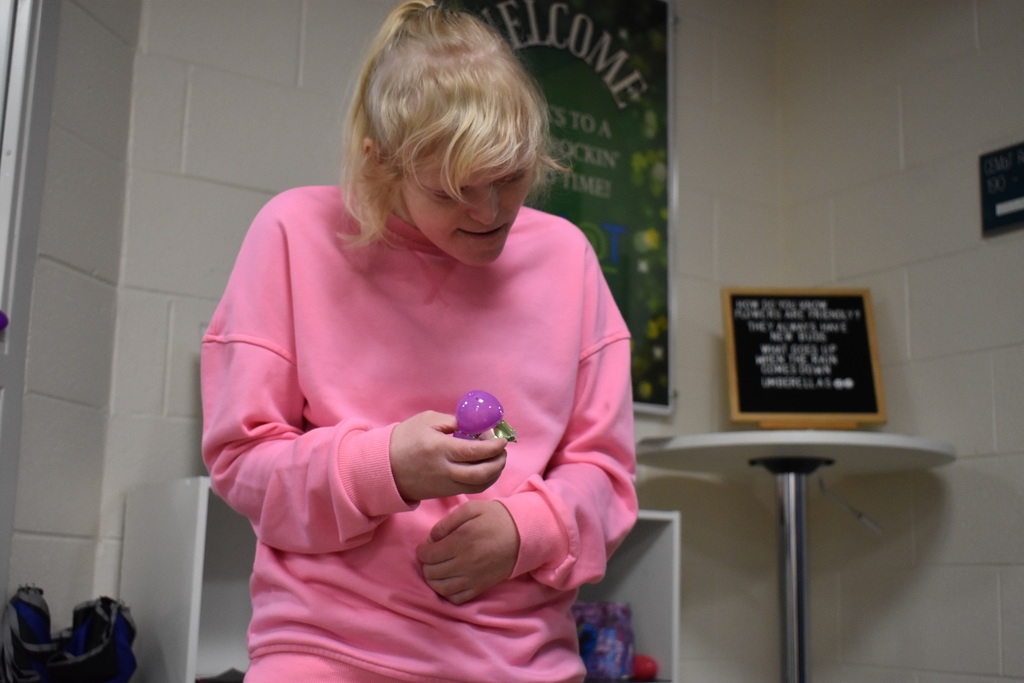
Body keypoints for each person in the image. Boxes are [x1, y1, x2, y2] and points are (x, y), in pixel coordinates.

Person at [200, 1, 637, 681]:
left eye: (512, 176)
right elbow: (241, 460)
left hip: (517, 659)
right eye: (455, 189)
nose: (491, 213)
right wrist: (383, 467)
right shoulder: (291, 233)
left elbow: (606, 476)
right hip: (325, 647)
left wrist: (527, 531)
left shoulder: (569, 260)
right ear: (381, 164)